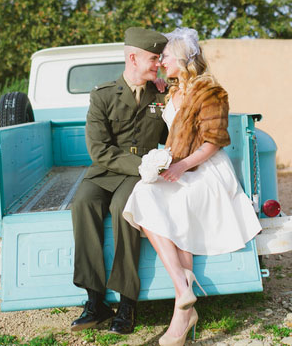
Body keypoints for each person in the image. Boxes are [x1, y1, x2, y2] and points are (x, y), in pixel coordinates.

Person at [123, 27, 262, 345]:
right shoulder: (170, 92)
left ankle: (181, 317)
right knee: (143, 193)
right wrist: (154, 95)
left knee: (180, 204)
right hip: (178, 166)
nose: (161, 63)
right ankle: (183, 286)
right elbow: (156, 118)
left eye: (165, 57)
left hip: (206, 170)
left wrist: (183, 165)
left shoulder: (212, 92)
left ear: (183, 58)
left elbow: (214, 141)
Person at [70, 27, 169, 334]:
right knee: (83, 203)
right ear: (133, 57)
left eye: (160, 58)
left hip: (141, 175)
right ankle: (95, 301)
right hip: (110, 170)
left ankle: (127, 303)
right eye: (153, 58)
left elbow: (172, 136)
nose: (158, 64)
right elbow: (98, 149)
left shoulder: (163, 94)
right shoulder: (102, 95)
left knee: (123, 208)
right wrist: (142, 166)